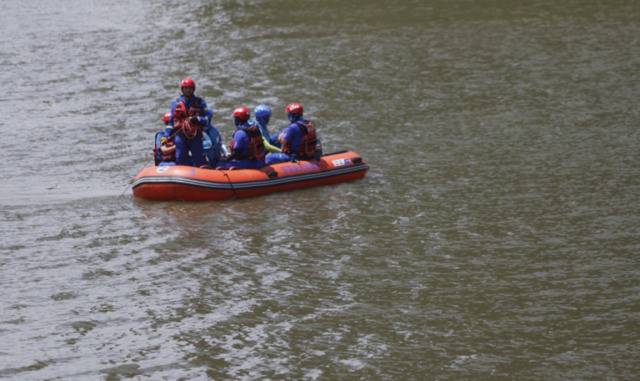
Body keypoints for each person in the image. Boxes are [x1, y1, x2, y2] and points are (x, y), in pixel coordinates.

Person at [164, 77, 209, 167]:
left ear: (193, 89)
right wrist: (166, 135)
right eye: (186, 88)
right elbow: (171, 122)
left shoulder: (200, 103)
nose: (188, 90)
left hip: (195, 135)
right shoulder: (176, 104)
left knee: (198, 159)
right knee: (180, 157)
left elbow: (207, 119)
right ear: (182, 89)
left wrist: (198, 119)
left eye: (190, 88)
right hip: (181, 135)